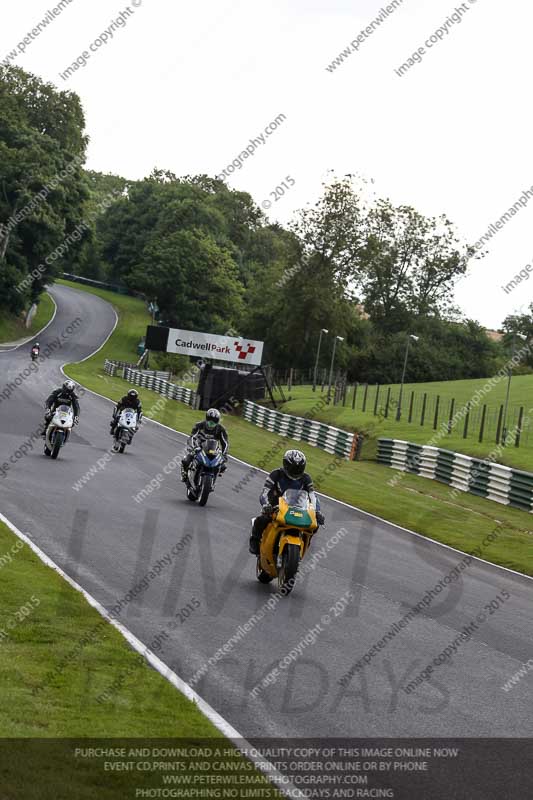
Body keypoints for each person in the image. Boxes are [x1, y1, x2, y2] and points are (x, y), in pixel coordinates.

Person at [248, 449, 325, 555]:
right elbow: (264, 492)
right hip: (274, 507)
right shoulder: (276, 474)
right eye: (293, 467)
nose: (296, 470)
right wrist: (266, 505)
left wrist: (317, 511)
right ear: (286, 465)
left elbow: (313, 496)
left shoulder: (306, 478)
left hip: (297, 509)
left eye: (298, 468)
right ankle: (255, 540)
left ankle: (306, 542)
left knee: (315, 524)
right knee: (261, 519)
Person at [181, 408, 229, 481]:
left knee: (223, 467)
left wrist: (224, 454)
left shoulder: (221, 430)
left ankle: (213, 479)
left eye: (214, 422)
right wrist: (192, 447)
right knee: (186, 460)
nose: (211, 424)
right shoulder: (199, 425)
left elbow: (225, 443)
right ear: (206, 419)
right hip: (199, 447)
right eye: (210, 421)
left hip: (213, 449)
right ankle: (184, 473)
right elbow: (192, 437)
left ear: (217, 422)